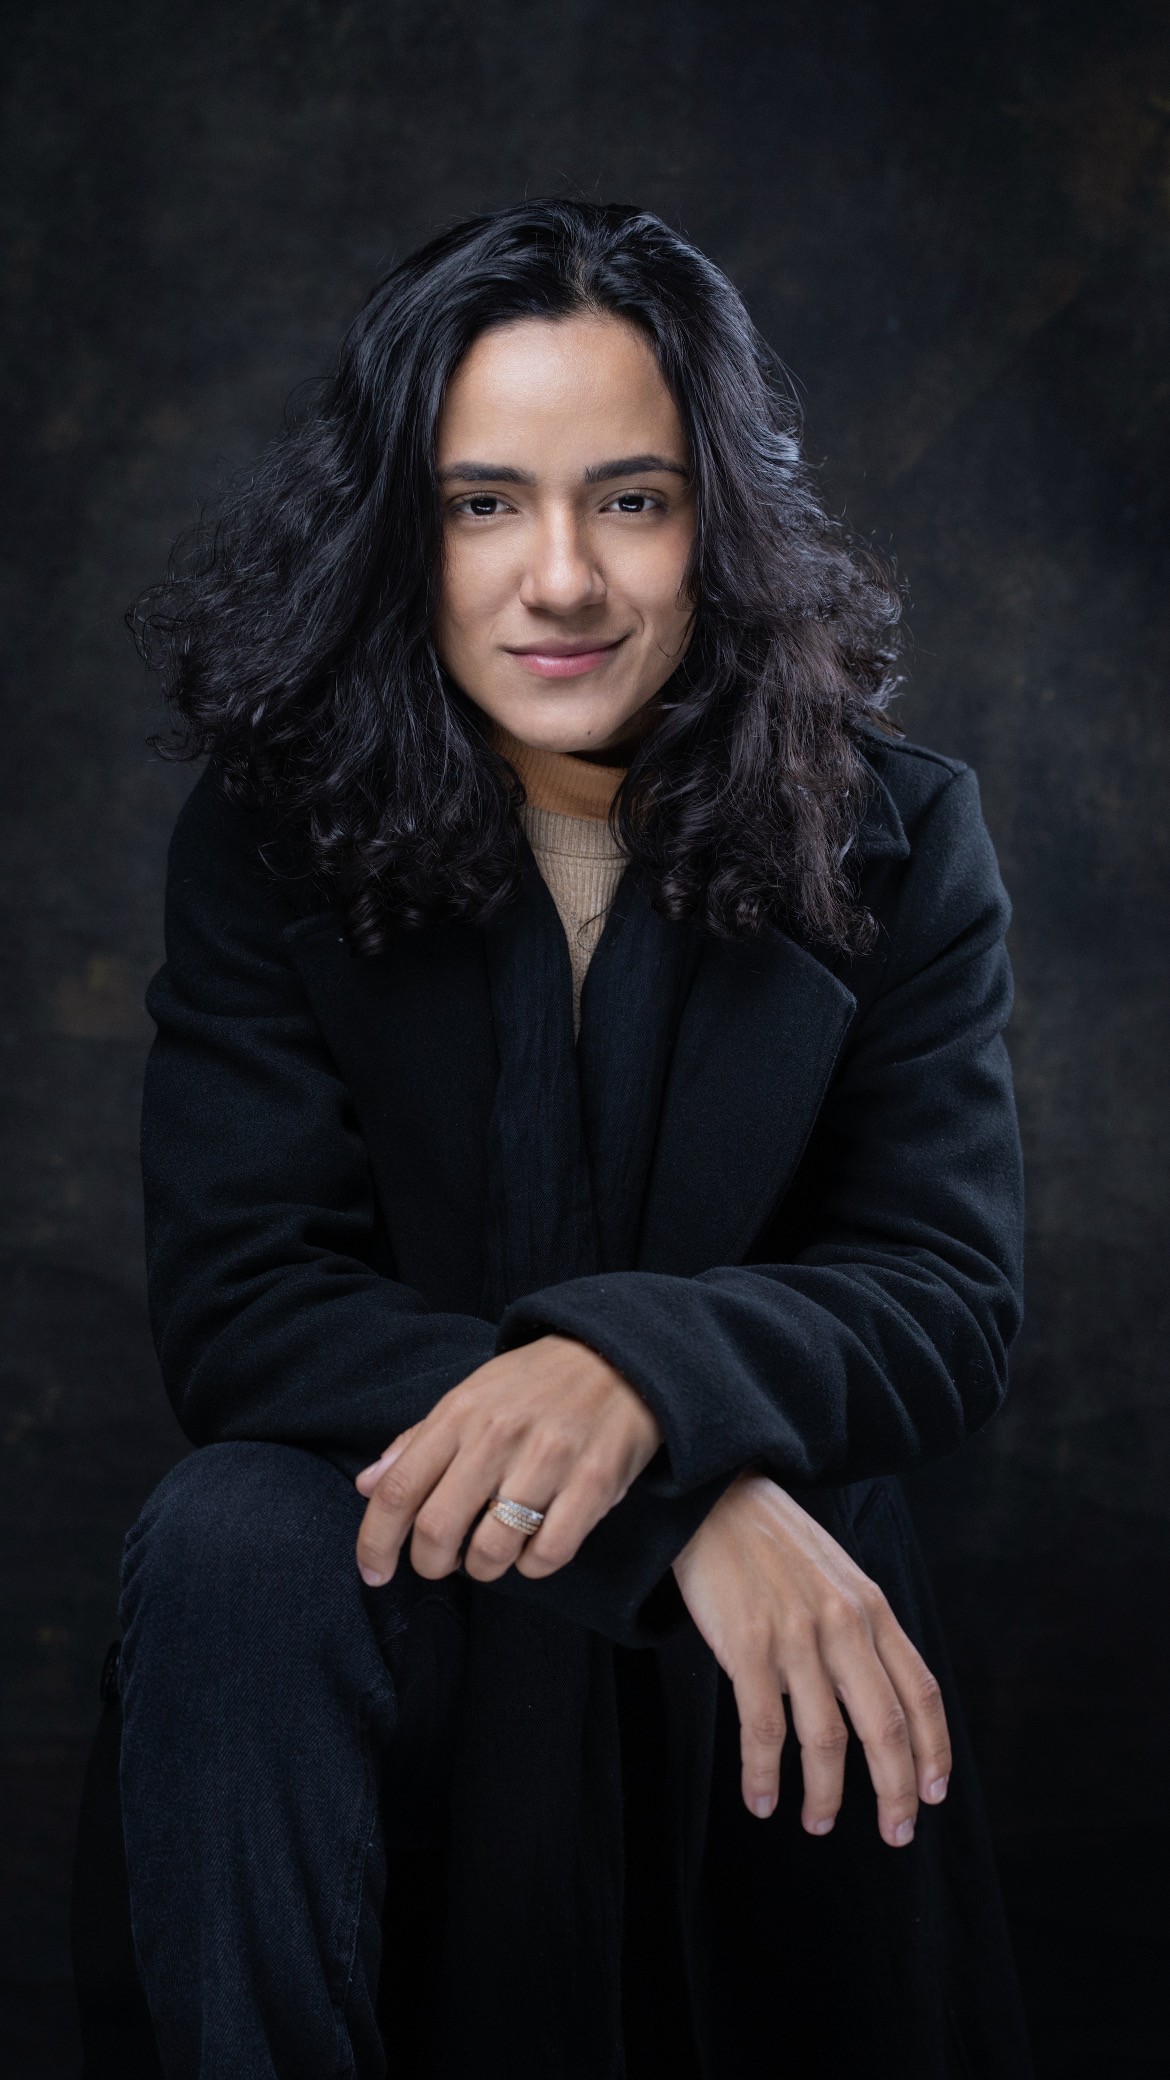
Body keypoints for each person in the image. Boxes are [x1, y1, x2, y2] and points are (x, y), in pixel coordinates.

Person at [117, 199, 1033, 2078]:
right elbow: (247, 1305)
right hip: (390, 1615)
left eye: (631, 500)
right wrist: (663, 1482)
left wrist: (655, 1384)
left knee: (823, 1521)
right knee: (230, 1532)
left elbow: (940, 1293)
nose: (560, 580)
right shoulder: (264, 841)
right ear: (400, 530)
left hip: (750, 1693)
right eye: (480, 504)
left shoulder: (901, 837)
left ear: (723, 524)